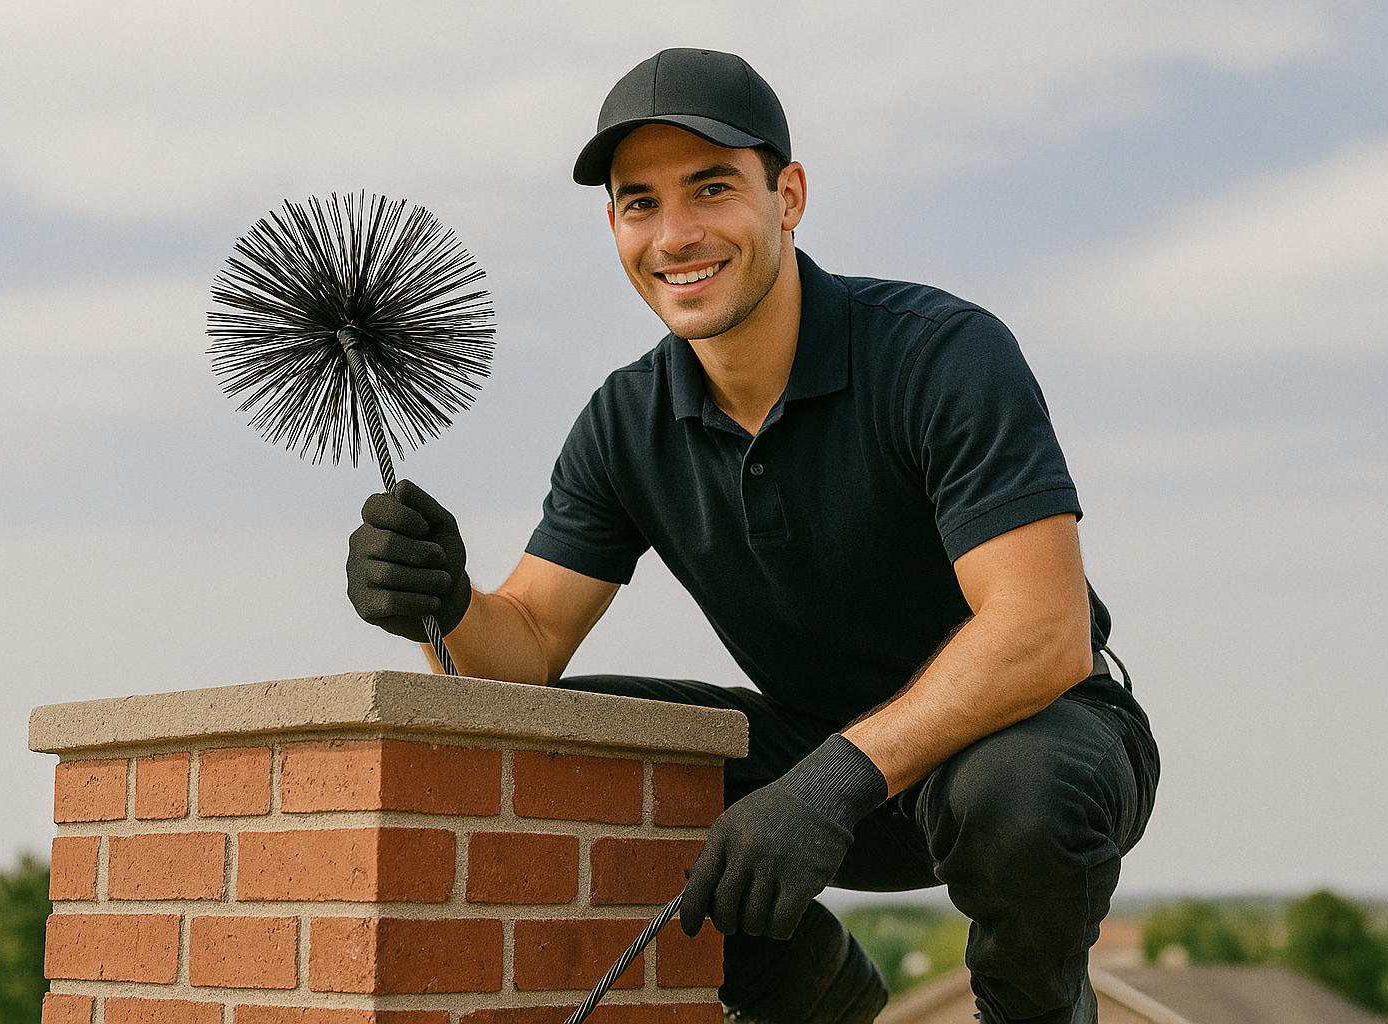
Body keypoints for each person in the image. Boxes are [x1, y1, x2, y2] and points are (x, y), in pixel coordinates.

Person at [346, 48, 1159, 1024]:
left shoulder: (938, 353)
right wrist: (443, 600)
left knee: (1018, 788)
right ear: (614, 225)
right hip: (813, 765)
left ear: (789, 195)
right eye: (639, 201)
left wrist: (833, 779)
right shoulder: (625, 420)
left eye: (712, 187)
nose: (675, 233)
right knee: (549, 757)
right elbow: (518, 656)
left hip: (1033, 741)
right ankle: (818, 995)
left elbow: (1041, 628)